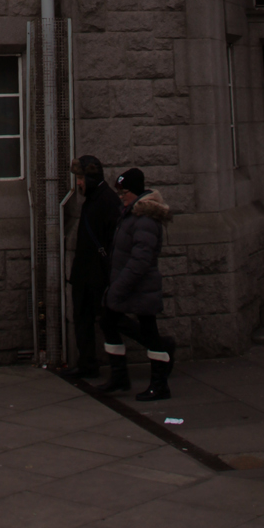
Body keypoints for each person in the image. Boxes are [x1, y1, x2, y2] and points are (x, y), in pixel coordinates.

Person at [98, 167, 175, 401]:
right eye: (120, 193)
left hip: (140, 286)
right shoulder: (130, 214)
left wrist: (118, 288)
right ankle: (119, 375)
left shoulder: (145, 218)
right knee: (108, 321)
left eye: (125, 193)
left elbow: (140, 260)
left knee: (150, 333)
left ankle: (160, 384)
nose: (121, 197)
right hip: (129, 284)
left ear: (137, 192)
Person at [66, 155, 122, 380]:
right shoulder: (93, 199)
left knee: (108, 321)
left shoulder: (106, 201)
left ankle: (114, 367)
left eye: (80, 178)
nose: (78, 183)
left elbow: (112, 241)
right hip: (85, 274)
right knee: (83, 318)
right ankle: (87, 362)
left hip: (97, 275)